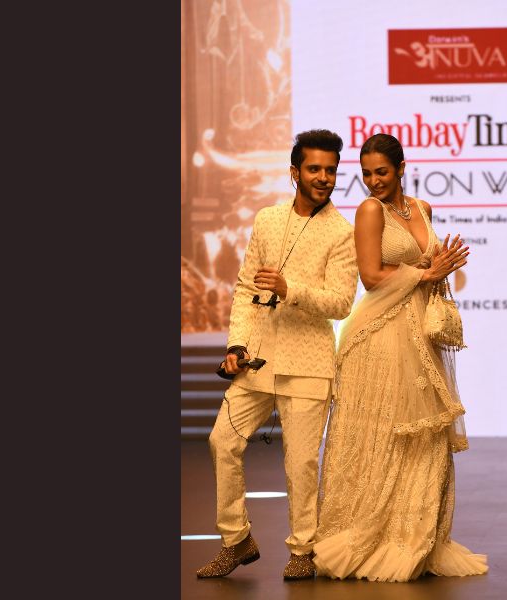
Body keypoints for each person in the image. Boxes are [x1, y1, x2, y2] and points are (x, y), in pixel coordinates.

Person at [313, 133, 488, 581]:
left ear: (402, 168)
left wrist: (441, 271)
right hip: (378, 336)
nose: (374, 181)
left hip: (418, 336)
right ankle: (368, 536)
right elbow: (371, 276)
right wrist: (427, 272)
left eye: (382, 172)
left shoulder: (422, 208)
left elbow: (426, 270)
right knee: (385, 435)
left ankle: (416, 538)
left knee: (424, 435)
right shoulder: (369, 211)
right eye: (366, 174)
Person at [196, 129, 358, 581]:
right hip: (257, 358)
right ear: (294, 172)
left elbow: (341, 303)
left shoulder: (342, 234)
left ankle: (303, 549)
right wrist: (236, 345)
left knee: (301, 464)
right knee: (222, 441)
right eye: (314, 169)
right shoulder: (267, 220)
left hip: (308, 364)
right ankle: (236, 540)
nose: (323, 177)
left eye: (330, 170)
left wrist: (291, 289)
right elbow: (245, 288)